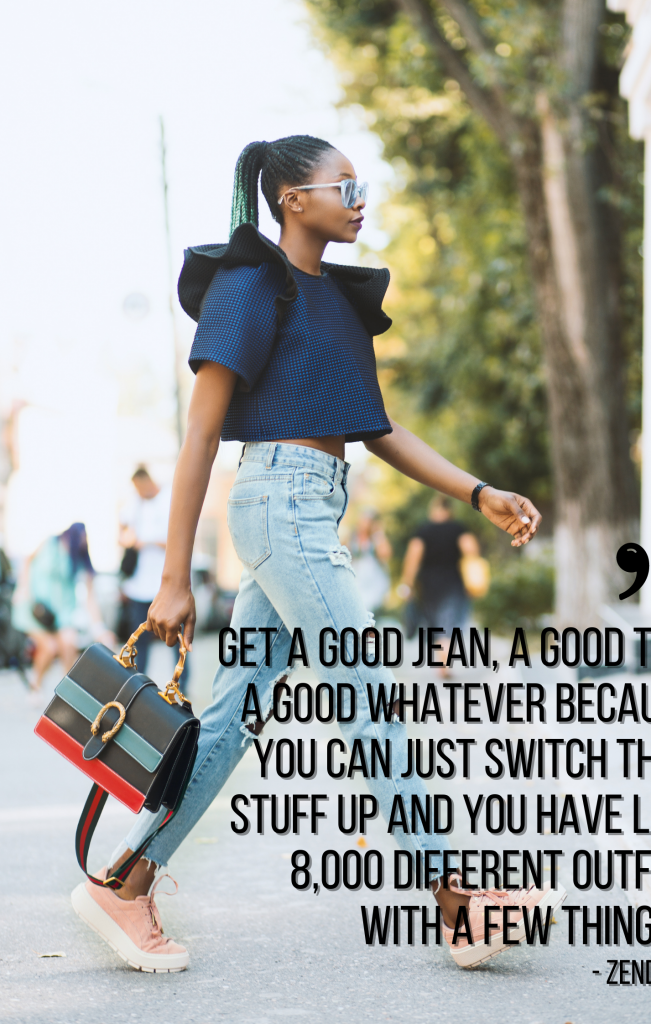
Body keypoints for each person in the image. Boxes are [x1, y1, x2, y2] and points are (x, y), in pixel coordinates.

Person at [70, 135, 563, 974]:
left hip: (312, 512)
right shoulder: (249, 283)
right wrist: (173, 576)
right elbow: (200, 434)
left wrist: (480, 493)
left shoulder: (336, 300)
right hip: (277, 506)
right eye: (346, 185)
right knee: (370, 695)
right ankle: (458, 898)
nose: (362, 197)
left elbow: (376, 429)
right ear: (293, 199)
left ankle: (125, 881)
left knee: (231, 722)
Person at [12, 523, 112, 691]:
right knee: (49, 648)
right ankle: (35, 685)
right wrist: (23, 587)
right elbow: (27, 559)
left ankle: (66, 689)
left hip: (62, 612)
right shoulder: (50, 543)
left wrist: (99, 628)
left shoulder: (80, 557)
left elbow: (90, 597)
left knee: (69, 642)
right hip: (35, 607)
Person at [399, 495, 479, 674]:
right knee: (450, 623)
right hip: (454, 582)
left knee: (435, 623)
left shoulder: (424, 530)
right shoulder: (458, 528)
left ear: (433, 510)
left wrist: (408, 583)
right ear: (450, 510)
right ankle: (445, 663)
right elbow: (471, 549)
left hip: (429, 585)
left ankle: (442, 663)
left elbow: (413, 557)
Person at [118, 466, 172, 673]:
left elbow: (175, 542)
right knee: (139, 640)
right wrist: (127, 538)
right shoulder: (135, 503)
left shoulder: (168, 499)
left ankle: (180, 685)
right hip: (138, 586)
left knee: (174, 639)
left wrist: (146, 542)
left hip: (164, 584)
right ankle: (140, 681)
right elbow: (121, 528)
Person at [348, 508, 392, 614]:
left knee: (368, 612)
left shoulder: (376, 537)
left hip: (374, 580)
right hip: (357, 579)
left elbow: (385, 554)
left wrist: (378, 533)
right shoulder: (352, 537)